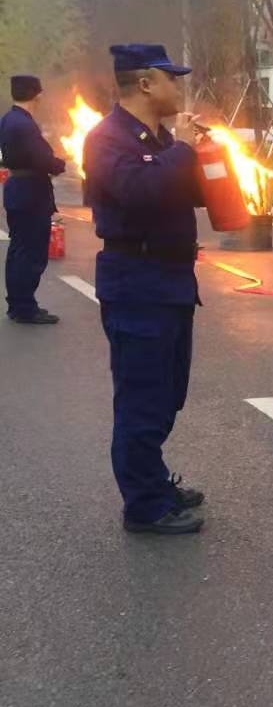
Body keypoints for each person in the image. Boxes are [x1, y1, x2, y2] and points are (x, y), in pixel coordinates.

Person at [82, 44, 208, 535]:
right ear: (146, 84)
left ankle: (153, 481)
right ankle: (144, 505)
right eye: (172, 78)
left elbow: (187, 192)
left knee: (167, 393)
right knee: (141, 398)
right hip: (137, 283)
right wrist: (182, 152)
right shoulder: (107, 138)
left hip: (171, 282)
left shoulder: (156, 138)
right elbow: (141, 192)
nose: (180, 87)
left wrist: (208, 163)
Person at [1, 74, 66, 324]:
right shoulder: (25, 124)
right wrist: (59, 163)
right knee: (31, 252)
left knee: (19, 249)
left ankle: (17, 304)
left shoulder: (8, 119)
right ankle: (25, 307)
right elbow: (41, 158)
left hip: (17, 189)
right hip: (30, 192)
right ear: (36, 94)